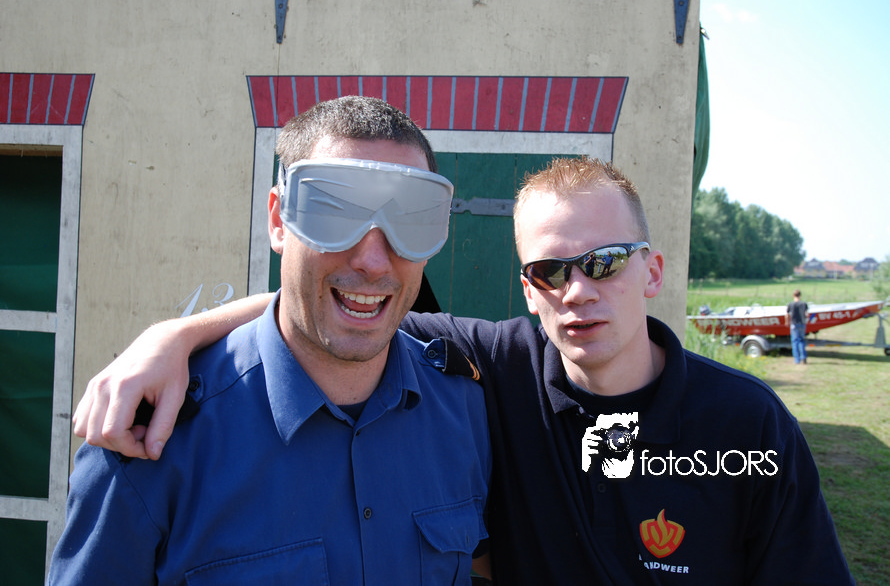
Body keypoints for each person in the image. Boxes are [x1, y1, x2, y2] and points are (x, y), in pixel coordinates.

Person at [73, 157, 854, 584]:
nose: (577, 291)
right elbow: (335, 308)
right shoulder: (499, 370)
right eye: (550, 271)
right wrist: (173, 337)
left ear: (650, 271)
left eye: (604, 263)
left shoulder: (747, 425)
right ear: (528, 291)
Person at [49, 96, 492, 585]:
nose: (372, 260)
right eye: (334, 211)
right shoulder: (150, 439)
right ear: (279, 221)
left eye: (409, 219)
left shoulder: (462, 411)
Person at [787, 288, 809, 364]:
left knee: (795, 341)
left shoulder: (791, 304)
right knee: (801, 340)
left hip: (794, 324)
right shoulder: (804, 304)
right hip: (802, 324)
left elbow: (787, 314)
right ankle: (803, 357)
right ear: (800, 295)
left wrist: (787, 322)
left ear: (793, 295)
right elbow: (807, 314)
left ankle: (797, 360)